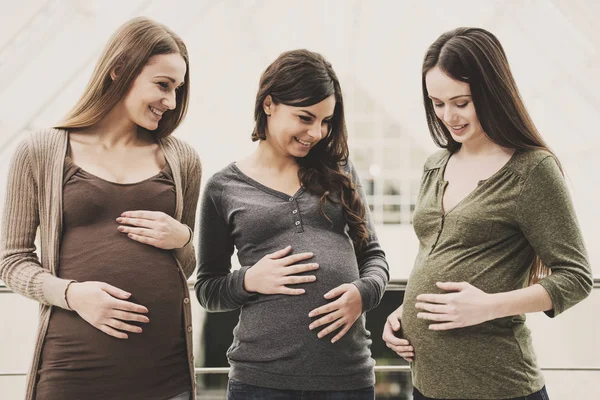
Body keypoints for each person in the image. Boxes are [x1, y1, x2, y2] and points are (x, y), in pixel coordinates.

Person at [382, 27, 593, 400]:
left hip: (499, 386)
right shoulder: (436, 165)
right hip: (426, 386)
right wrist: (404, 310)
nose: (449, 116)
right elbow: (438, 254)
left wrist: (487, 306)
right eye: (437, 103)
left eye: (461, 102)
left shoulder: (531, 170)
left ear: (490, 92)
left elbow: (575, 277)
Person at [0, 17, 201, 400]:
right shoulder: (40, 151)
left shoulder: (182, 159)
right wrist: (73, 295)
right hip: (72, 373)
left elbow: (186, 267)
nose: (171, 102)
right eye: (162, 85)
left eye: (177, 89)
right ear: (119, 70)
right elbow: (11, 262)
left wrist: (183, 238)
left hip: (165, 377)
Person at [195, 49, 389, 399]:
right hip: (261, 381)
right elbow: (208, 289)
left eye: (326, 121)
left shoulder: (340, 171)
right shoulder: (222, 188)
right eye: (305, 117)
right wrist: (248, 279)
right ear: (269, 104)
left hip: (347, 379)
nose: (316, 132)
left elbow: (373, 256)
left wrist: (364, 293)